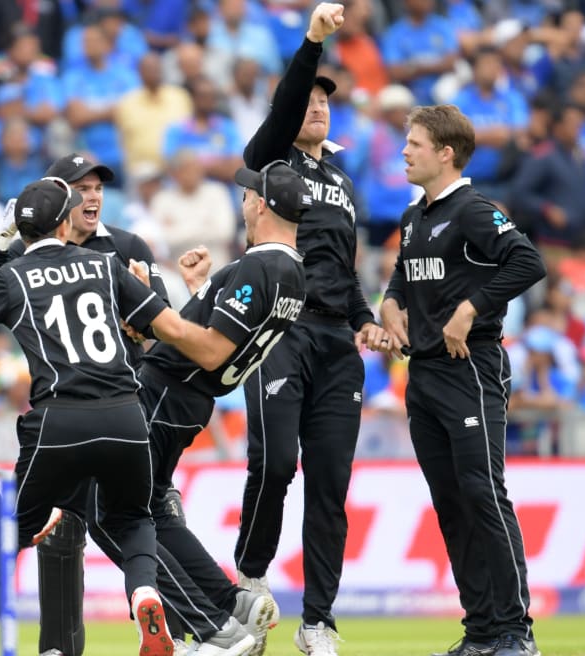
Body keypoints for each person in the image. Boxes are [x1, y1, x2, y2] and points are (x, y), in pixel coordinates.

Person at [0, 177, 232, 656]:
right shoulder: (104, 265)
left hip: (58, 422)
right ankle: (145, 594)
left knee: (11, 529)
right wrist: (213, 349)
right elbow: (171, 328)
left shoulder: (11, 277)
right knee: (134, 519)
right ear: (65, 222)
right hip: (125, 417)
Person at [88, 159, 310, 656]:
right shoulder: (290, 271)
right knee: (150, 510)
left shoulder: (261, 264)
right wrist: (199, 292)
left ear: (262, 204)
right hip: (188, 398)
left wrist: (148, 308)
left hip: (168, 389)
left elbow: (211, 348)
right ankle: (230, 603)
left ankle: (215, 630)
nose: (245, 200)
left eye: (252, 194)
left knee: (106, 510)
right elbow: (228, 335)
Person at [0, 152, 167, 656]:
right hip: (120, 415)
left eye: (99, 187)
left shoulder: (124, 246)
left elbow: (155, 330)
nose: (92, 195)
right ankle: (75, 637)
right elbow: (167, 326)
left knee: (42, 521)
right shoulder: (58, 260)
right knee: (119, 523)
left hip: (68, 414)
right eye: (80, 188)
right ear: (59, 206)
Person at [234, 5, 388, 655]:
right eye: (309, 100)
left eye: (327, 101)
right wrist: (313, 45)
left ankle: (318, 621)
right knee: (274, 463)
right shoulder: (272, 166)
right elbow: (291, 97)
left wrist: (367, 320)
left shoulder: (343, 184)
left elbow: (345, 272)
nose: (318, 106)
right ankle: (249, 585)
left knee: (330, 483)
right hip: (280, 329)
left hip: (335, 345)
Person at [380, 104, 546, 656]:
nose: (404, 151)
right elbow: (405, 276)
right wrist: (390, 303)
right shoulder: (413, 218)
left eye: (415, 143)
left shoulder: (474, 211)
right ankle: (480, 631)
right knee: (450, 501)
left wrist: (472, 306)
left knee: (483, 493)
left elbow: (527, 262)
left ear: (445, 153)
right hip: (422, 374)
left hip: (469, 368)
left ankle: (516, 631)